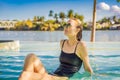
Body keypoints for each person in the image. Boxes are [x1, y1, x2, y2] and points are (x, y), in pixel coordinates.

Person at [19, 18, 93, 80]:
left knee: (25, 75)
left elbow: (87, 68)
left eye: (69, 25)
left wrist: (94, 77)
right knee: (30, 56)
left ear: (77, 30)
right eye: (65, 25)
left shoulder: (81, 46)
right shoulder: (62, 43)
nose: (65, 27)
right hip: (53, 75)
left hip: (62, 79)